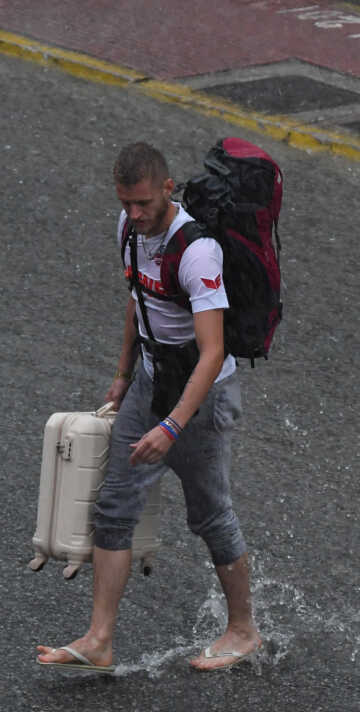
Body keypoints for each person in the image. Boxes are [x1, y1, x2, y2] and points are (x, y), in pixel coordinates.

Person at [36, 142, 261, 672]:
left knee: (209, 513)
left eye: (142, 204)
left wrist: (172, 425)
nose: (134, 215)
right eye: (125, 204)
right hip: (151, 380)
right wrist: (121, 375)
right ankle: (99, 640)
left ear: (167, 188)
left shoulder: (198, 251)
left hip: (201, 398)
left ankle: (243, 630)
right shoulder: (129, 229)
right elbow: (139, 302)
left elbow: (213, 352)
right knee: (114, 506)